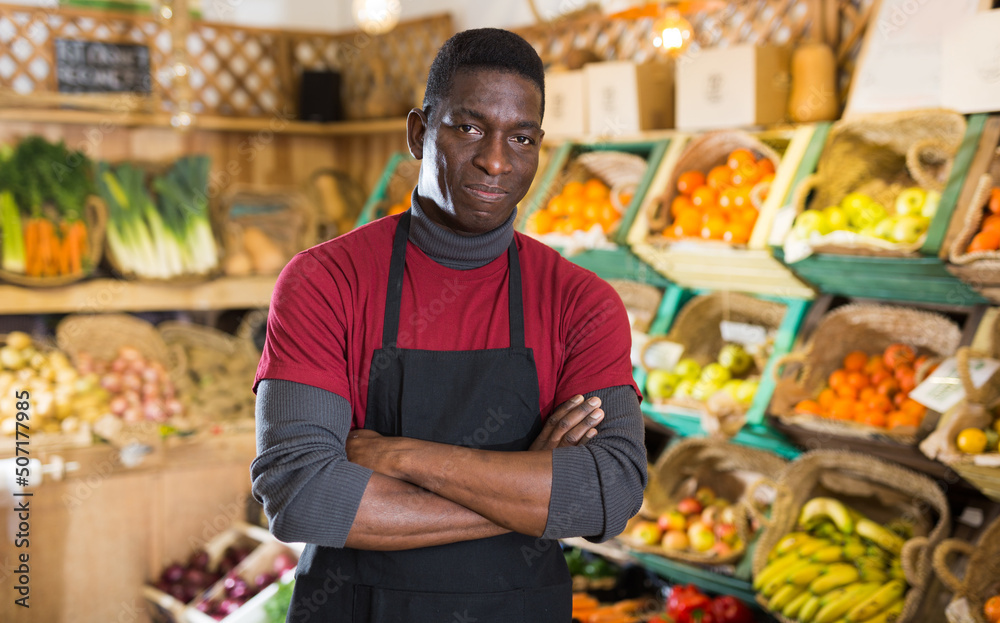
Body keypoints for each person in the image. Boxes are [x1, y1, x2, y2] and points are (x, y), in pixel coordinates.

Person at [251, 28, 647, 623]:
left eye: (522, 137)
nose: (496, 160)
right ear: (419, 132)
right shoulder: (325, 281)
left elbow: (610, 493)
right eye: (468, 128)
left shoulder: (580, 301)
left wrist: (404, 457)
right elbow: (303, 498)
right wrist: (536, 495)